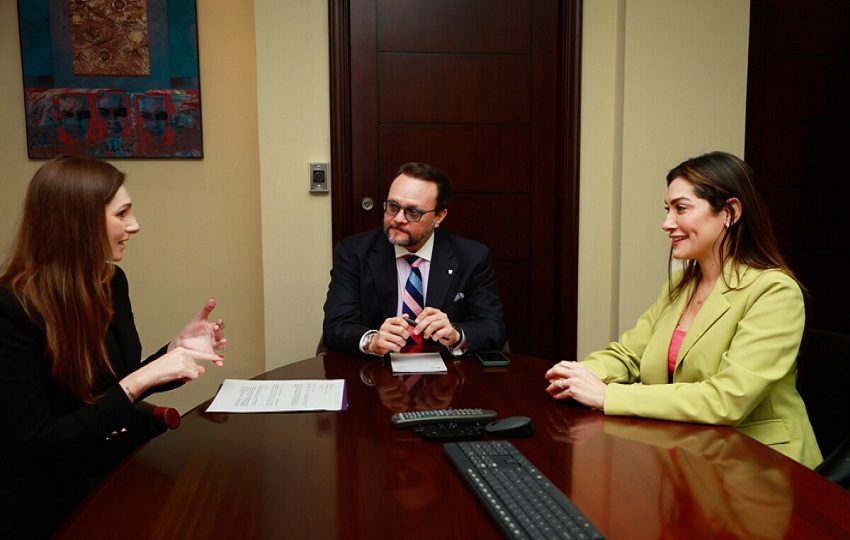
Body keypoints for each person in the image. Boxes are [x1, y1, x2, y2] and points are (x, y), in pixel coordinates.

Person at [544, 151, 822, 468]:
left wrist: (607, 396)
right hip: (692, 455)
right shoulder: (681, 285)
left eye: (681, 208)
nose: (667, 224)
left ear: (730, 212)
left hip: (762, 465)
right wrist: (579, 375)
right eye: (668, 210)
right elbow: (630, 354)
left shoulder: (775, 291)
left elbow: (727, 399)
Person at [0, 155, 227, 536]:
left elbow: (111, 386)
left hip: (114, 465)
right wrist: (143, 379)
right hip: (51, 499)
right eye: (122, 214)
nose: (134, 225)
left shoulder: (110, 281)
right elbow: (41, 440)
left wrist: (174, 353)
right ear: (79, 222)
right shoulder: (11, 309)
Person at [322, 162, 506, 356]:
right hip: (375, 367)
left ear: (439, 217)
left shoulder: (472, 257)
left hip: (447, 369)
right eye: (393, 206)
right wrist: (371, 341)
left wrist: (456, 334)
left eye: (413, 212)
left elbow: (493, 328)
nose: (398, 219)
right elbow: (336, 327)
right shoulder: (353, 252)